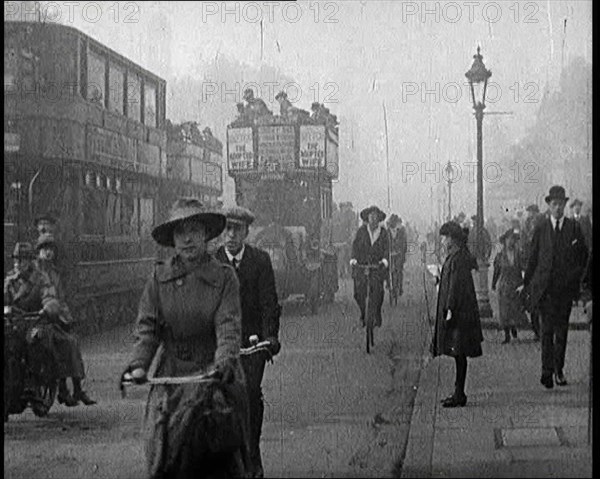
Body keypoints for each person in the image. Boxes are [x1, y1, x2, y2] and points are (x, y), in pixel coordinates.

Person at [121, 198, 251, 478]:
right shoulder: (158, 278)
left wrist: (225, 360)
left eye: (194, 230)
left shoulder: (225, 278)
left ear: (206, 234)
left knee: (228, 445)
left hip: (214, 373)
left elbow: (228, 325)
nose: (188, 238)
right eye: (180, 232)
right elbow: (147, 328)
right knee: (161, 448)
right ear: (172, 239)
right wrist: (139, 365)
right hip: (171, 377)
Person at [214, 206, 281, 478]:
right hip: (221, 345)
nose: (231, 235)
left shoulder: (260, 261)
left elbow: (269, 303)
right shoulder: (213, 262)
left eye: (237, 229)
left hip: (252, 344)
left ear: (246, 232)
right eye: (227, 229)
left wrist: (271, 337)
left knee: (251, 394)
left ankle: (253, 453)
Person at [519, 186, 588, 389]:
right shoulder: (541, 227)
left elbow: (583, 257)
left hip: (564, 291)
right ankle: (546, 371)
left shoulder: (573, 228)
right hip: (545, 291)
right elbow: (533, 257)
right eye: (554, 204)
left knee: (561, 332)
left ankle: (559, 370)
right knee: (546, 332)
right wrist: (527, 283)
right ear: (548, 206)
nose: (558, 208)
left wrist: (575, 279)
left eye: (561, 204)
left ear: (565, 206)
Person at [35, 234, 95, 406]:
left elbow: (60, 298)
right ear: (39, 251)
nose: (48, 253)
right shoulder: (35, 273)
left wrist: (66, 316)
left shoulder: (54, 273)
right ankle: (64, 389)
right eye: (45, 249)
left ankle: (77, 389)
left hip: (54, 315)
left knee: (72, 342)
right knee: (64, 344)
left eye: (51, 249)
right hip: (40, 317)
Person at [431, 221, 483, 408]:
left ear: (452, 239)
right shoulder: (456, 256)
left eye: (445, 238)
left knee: (459, 352)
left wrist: (450, 309)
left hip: (459, 313)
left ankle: (459, 393)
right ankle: (458, 391)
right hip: (460, 311)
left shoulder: (458, 258)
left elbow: (455, 286)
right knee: (458, 353)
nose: (443, 241)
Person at [350, 206, 389, 328]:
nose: (373, 219)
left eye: (375, 216)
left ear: (378, 219)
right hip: (362, 266)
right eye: (371, 216)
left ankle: (377, 312)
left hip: (377, 266)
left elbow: (386, 249)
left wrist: (384, 260)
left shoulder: (383, 233)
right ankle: (363, 313)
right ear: (367, 218)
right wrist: (354, 259)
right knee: (358, 292)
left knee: (379, 292)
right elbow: (355, 247)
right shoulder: (361, 231)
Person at [492, 231, 529, 344]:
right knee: (504, 311)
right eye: (508, 239)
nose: (510, 242)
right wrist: (493, 284)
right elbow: (496, 271)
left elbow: (524, 268)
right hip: (504, 285)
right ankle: (507, 335)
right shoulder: (500, 256)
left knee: (514, 309)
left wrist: (525, 282)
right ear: (504, 241)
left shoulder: (519, 254)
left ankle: (514, 331)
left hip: (516, 285)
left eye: (512, 239)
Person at [521, 204, 544, 339]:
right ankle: (537, 330)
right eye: (529, 213)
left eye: (532, 213)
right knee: (532, 302)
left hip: (540, 267)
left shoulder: (542, 225)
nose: (531, 215)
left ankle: (542, 330)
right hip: (529, 266)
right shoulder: (525, 225)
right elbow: (523, 244)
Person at [387, 214, 408, 301]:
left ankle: (400, 287)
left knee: (399, 271)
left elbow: (404, 243)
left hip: (399, 254)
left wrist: (402, 253)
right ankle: (389, 285)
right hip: (390, 254)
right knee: (388, 271)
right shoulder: (387, 232)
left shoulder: (401, 231)